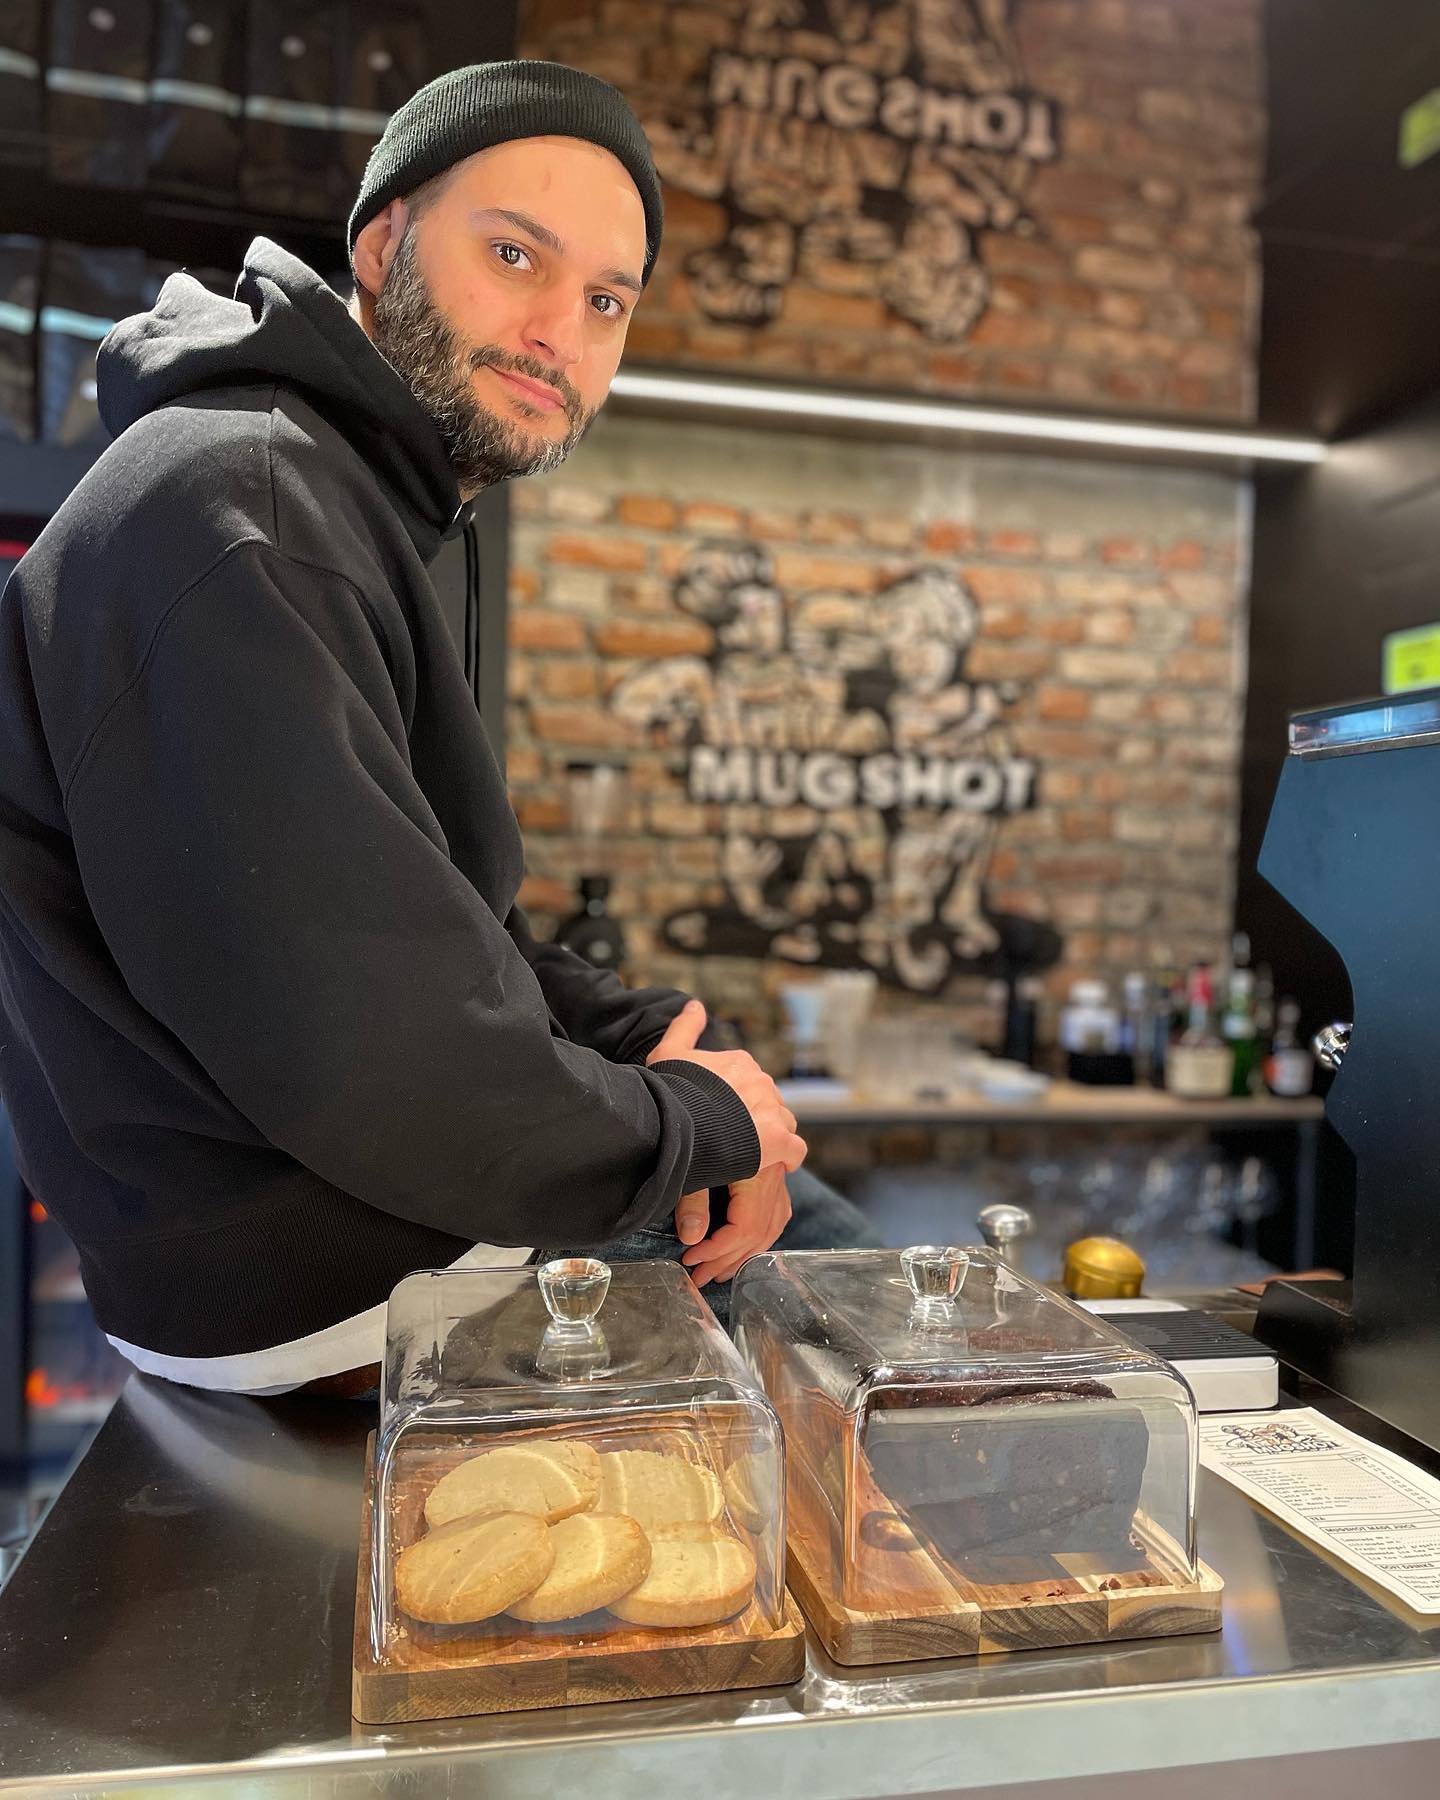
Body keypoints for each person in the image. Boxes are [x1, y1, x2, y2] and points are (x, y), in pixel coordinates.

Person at [0, 61, 877, 1395]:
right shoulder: (253, 512)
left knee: (837, 1270)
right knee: (897, 1352)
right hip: (317, 1271)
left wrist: (632, 1032)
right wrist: (698, 1124)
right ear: (380, 241)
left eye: (604, 300)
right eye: (514, 253)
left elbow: (406, 907)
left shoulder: (332, 490)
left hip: (335, 1216)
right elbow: (372, 1049)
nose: (557, 330)